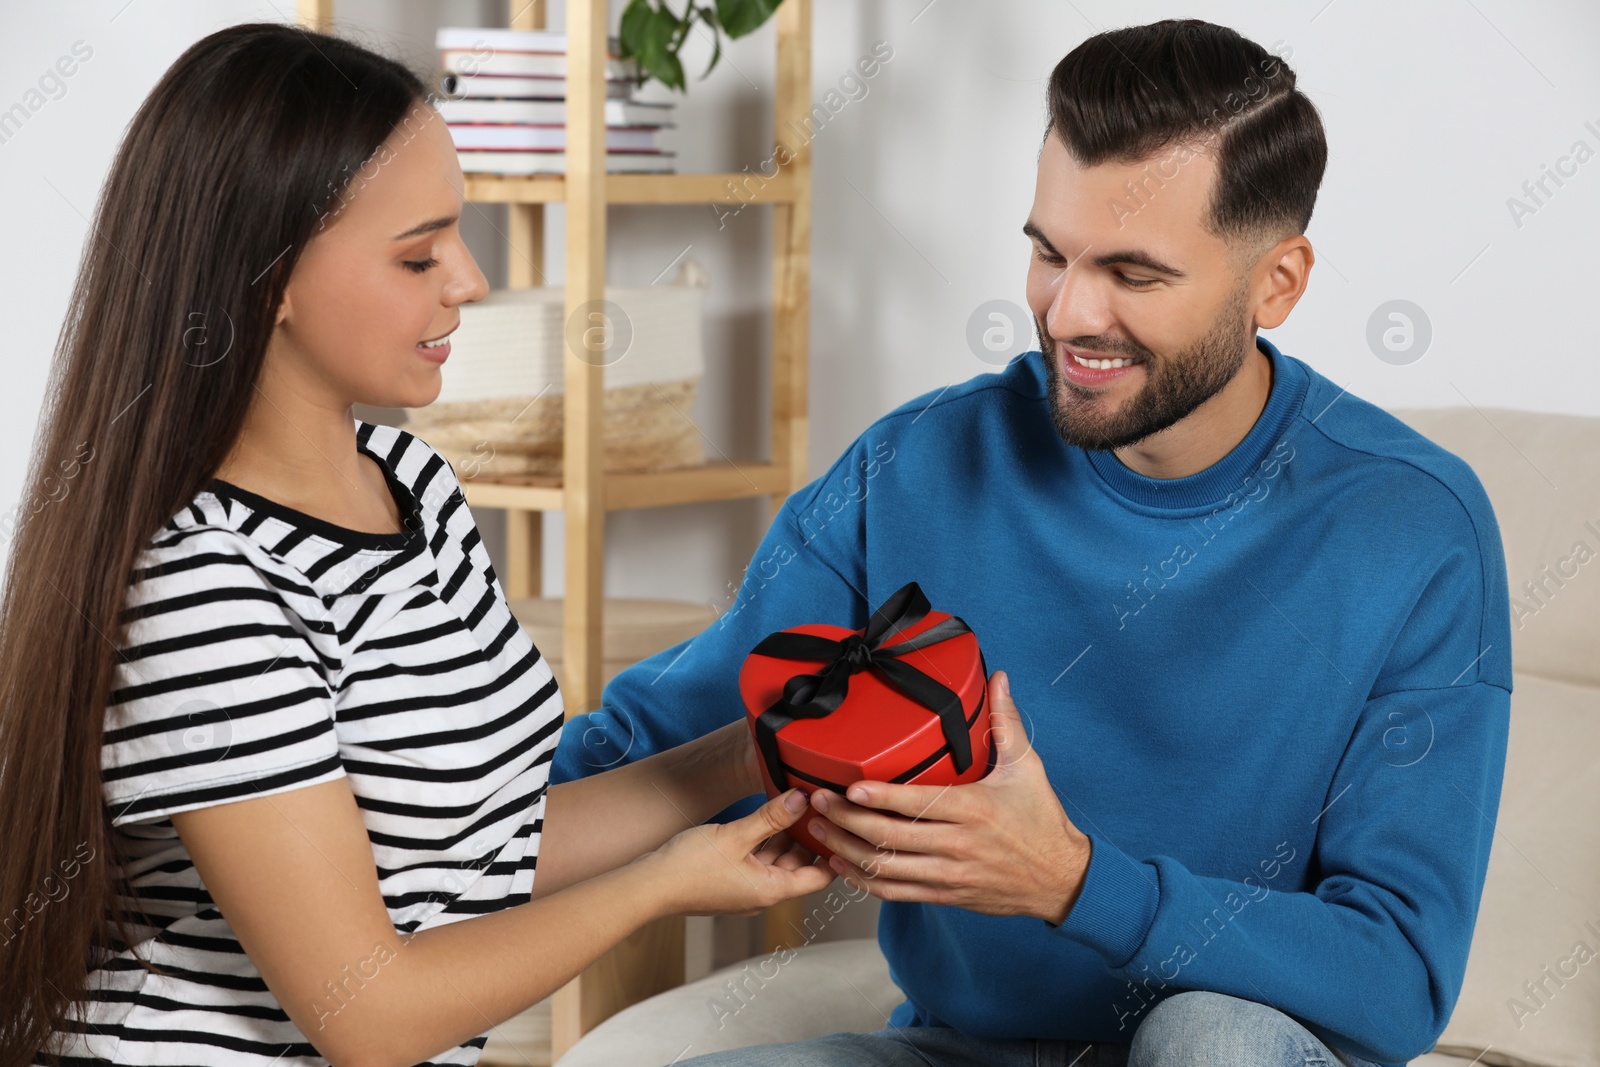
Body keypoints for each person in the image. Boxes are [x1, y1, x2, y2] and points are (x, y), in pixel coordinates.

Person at [550, 18, 1512, 1067]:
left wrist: (1071, 880)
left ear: (1274, 283)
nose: (1069, 312)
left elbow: (1399, 972)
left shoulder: (1410, 527)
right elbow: (662, 741)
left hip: (1227, 1048)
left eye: (1135, 275)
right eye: (1049, 253)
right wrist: (383, 802)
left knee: (1210, 1037)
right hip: (957, 1048)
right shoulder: (917, 466)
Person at [0, 23, 834, 1067]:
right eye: (418, 254)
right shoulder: (204, 584)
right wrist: (667, 880)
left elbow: (480, 849)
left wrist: (753, 755)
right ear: (271, 281)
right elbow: (369, 1013)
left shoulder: (416, 486)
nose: (470, 281)